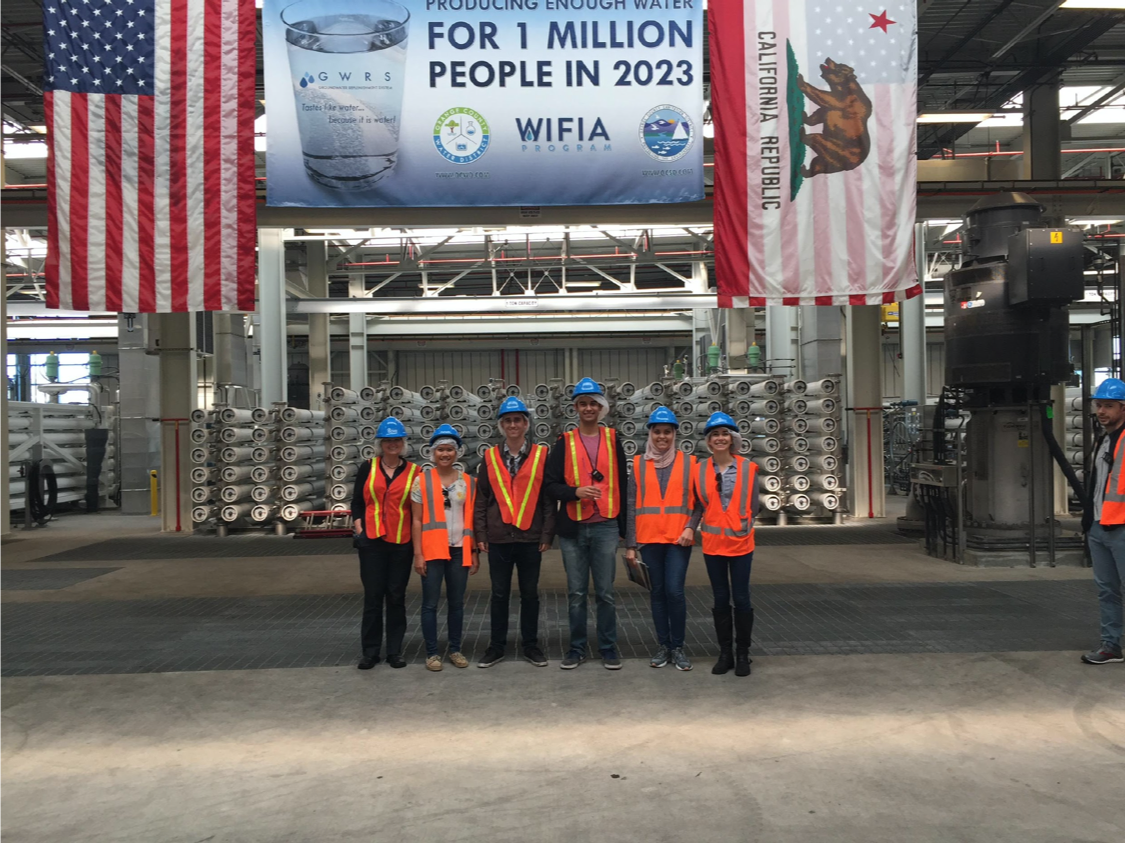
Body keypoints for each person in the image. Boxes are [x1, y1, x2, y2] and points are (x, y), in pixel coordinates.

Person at [545, 377, 629, 670]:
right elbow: (550, 485)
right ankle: (576, 648)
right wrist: (574, 492)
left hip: (605, 525)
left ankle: (608, 647)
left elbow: (622, 484)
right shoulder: (564, 443)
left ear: (601, 407)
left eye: (593, 403)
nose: (588, 408)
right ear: (575, 408)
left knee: (605, 592)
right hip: (573, 527)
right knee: (577, 592)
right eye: (583, 403)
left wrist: (623, 530)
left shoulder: (613, 440)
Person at [475, 396, 555, 668]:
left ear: (526, 424)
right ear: (501, 425)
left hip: (530, 538)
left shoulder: (541, 456)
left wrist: (546, 534)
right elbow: (482, 500)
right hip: (498, 538)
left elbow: (547, 499)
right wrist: (481, 535)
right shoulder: (489, 458)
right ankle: (497, 647)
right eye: (507, 420)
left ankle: (530, 646)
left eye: (517, 420)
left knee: (530, 594)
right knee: (499, 594)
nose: (513, 424)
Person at [625, 406, 702, 671]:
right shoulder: (637, 464)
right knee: (657, 593)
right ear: (650, 433)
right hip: (649, 540)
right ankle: (663, 646)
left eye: (667, 432)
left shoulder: (690, 463)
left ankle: (678, 647)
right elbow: (632, 505)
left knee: (675, 592)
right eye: (657, 431)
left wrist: (692, 527)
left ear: (674, 434)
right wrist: (631, 545)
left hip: (678, 539)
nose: (662, 437)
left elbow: (700, 503)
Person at [351, 417, 420, 670]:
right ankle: (370, 652)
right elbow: (357, 502)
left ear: (403, 443)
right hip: (372, 543)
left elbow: (418, 510)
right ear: (381, 443)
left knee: (396, 597)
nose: (393, 444)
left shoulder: (415, 472)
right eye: (388, 440)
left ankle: (394, 651)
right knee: (372, 597)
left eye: (397, 440)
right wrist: (360, 528)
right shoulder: (367, 468)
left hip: (402, 543)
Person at [696, 412, 760, 677]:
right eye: (715, 435)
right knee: (721, 599)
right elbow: (699, 505)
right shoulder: (699, 469)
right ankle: (725, 654)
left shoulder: (748, 468)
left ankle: (743, 652)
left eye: (724, 434)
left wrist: (740, 525)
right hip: (712, 545)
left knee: (742, 598)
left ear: (732, 439)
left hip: (741, 545)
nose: (720, 439)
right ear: (709, 441)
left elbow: (754, 506)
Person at [411, 424, 480, 671]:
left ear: (457, 452)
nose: (445, 454)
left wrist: (473, 552)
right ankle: (431, 653)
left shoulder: (469, 483)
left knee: (456, 603)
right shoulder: (421, 481)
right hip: (431, 551)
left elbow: (471, 519)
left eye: (450, 449)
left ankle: (455, 649)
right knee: (430, 604)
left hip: (459, 550)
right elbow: (417, 520)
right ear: (433, 452)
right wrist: (418, 554)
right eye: (440, 449)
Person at [1081, 378, 1125, 665]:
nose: (1101, 411)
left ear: (1123, 407)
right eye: (1099, 405)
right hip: (1099, 526)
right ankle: (1111, 645)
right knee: (1107, 590)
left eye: (1108, 406)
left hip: (1122, 527)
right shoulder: (1103, 439)